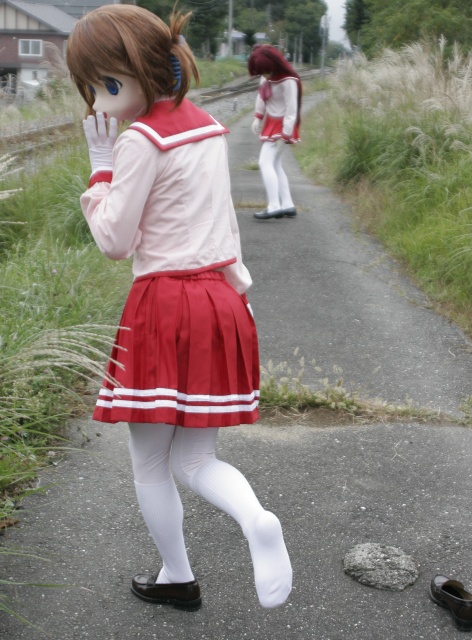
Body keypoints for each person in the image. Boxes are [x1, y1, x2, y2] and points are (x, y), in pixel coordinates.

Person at [66, 4, 292, 611]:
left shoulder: (141, 140)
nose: (98, 101)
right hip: (220, 298)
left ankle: (177, 576)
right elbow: (220, 225)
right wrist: (239, 290)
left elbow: (115, 241)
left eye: (102, 85)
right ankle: (256, 518)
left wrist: (100, 172)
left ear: (129, 72)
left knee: (149, 462)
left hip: (164, 305)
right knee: (196, 458)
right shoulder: (208, 126)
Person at [248, 44, 302, 220]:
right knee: (276, 164)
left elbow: (291, 110)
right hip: (272, 124)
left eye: (264, 71)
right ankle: (287, 204)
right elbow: (261, 97)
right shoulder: (267, 78)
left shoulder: (288, 81)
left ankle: (274, 205)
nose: (263, 75)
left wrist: (285, 134)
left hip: (281, 126)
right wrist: (258, 117)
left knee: (265, 163)